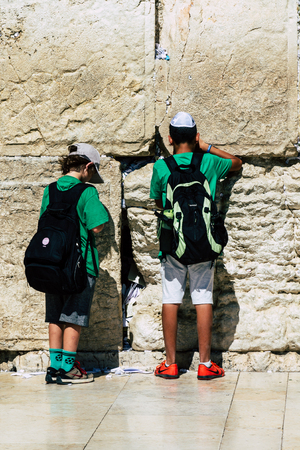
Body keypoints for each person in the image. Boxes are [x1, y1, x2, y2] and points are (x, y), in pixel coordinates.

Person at [150, 112, 242, 380]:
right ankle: (205, 363)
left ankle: (170, 364)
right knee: (203, 299)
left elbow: (157, 200)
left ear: (170, 139)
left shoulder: (161, 167)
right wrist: (208, 148)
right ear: (196, 137)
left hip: (172, 243)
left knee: (171, 299)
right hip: (204, 242)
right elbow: (236, 163)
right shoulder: (210, 162)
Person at [42, 143, 109, 384]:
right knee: (73, 316)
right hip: (79, 266)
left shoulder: (49, 190)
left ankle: (54, 367)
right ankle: (69, 370)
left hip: (51, 263)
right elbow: (97, 225)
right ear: (88, 166)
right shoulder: (87, 191)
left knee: (55, 316)